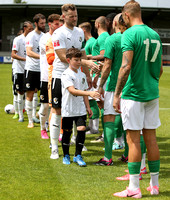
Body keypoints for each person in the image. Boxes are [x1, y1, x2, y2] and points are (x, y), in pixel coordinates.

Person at [113, 0, 163, 198]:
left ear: (126, 15)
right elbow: (159, 69)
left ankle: (134, 188)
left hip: (134, 94)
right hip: (152, 93)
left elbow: (125, 67)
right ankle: (155, 186)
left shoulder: (129, 34)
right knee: (151, 138)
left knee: (133, 140)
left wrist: (116, 94)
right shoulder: (155, 34)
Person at [50, 3, 100, 159]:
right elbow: (63, 57)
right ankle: (54, 148)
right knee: (58, 111)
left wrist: (88, 76)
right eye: (71, 16)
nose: (74, 18)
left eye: (76, 15)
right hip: (60, 76)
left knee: (78, 110)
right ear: (63, 16)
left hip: (78, 77)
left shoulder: (79, 32)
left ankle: (76, 141)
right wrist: (86, 63)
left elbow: (83, 55)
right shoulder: (58, 33)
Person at [61, 48, 100, 166]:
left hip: (80, 109)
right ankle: (66, 155)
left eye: (80, 60)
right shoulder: (65, 74)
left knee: (82, 129)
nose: (79, 62)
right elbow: (73, 91)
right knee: (67, 133)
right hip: (68, 108)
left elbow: (83, 92)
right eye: (76, 60)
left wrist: (88, 107)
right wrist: (89, 93)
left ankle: (78, 155)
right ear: (68, 60)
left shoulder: (82, 74)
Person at [94, 13, 123, 166]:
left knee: (109, 118)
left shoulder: (112, 39)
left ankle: (107, 157)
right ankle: (128, 155)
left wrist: (100, 86)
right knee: (131, 123)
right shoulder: (133, 37)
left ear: (115, 23)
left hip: (114, 85)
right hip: (131, 85)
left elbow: (107, 65)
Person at [39, 14, 60, 139]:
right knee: (45, 105)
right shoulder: (45, 38)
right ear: (50, 24)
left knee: (57, 107)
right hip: (46, 77)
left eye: (59, 24)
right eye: (56, 24)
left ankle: (57, 131)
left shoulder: (60, 36)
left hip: (57, 77)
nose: (58, 26)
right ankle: (43, 129)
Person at [25, 13, 46, 128]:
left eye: (44, 23)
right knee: (30, 93)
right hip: (32, 69)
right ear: (36, 23)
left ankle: (35, 115)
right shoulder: (31, 36)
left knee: (41, 95)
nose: (44, 25)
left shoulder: (45, 36)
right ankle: (30, 121)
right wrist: (42, 57)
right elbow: (29, 52)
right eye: (41, 23)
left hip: (42, 70)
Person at [79, 22, 99, 135]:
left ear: (84, 31)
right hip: (86, 73)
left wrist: (90, 74)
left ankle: (94, 127)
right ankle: (92, 126)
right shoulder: (89, 42)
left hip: (90, 74)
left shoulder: (92, 42)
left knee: (92, 101)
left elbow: (94, 59)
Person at [11, 21, 33, 122]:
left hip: (30, 69)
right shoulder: (18, 39)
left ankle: (32, 116)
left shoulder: (32, 38)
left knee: (32, 91)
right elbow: (13, 54)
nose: (31, 30)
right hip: (19, 70)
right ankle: (20, 115)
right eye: (29, 28)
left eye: (32, 28)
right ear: (24, 28)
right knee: (20, 92)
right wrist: (25, 59)